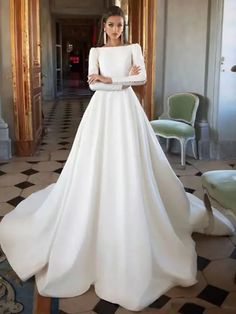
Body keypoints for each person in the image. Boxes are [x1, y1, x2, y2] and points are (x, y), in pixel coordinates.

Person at [0, 5, 235, 312]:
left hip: (126, 110)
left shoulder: (134, 47)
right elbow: (91, 83)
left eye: (120, 24)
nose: (116, 29)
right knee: (94, 162)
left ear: (124, 26)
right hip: (100, 111)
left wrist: (112, 79)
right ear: (104, 26)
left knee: (130, 161)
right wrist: (119, 79)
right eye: (111, 24)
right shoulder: (95, 50)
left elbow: (142, 79)